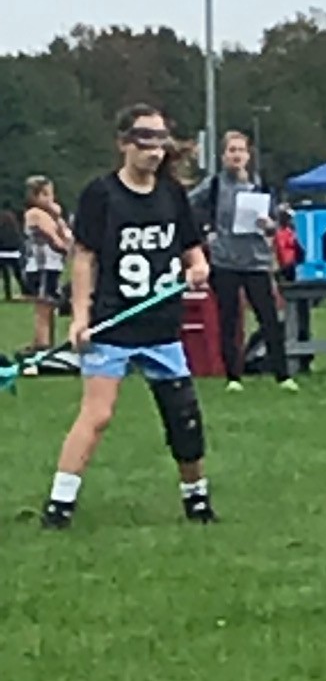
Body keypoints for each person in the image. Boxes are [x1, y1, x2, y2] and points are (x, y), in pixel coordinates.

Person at [41, 105, 215, 528]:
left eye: (160, 140)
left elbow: (191, 249)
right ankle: (59, 505)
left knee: (183, 418)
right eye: (144, 139)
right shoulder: (101, 194)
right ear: (123, 143)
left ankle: (196, 500)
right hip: (114, 323)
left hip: (161, 327)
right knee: (97, 415)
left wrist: (198, 268)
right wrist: (80, 317)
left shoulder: (172, 194)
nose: (154, 149)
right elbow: (84, 257)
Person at [190, 131, 296, 391]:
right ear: (223, 155)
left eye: (241, 150)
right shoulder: (214, 185)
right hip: (225, 261)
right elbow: (187, 204)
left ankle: (283, 374)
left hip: (256, 261)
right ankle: (233, 377)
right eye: (231, 150)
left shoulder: (261, 186)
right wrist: (205, 232)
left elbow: (275, 223)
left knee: (269, 318)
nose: (236, 155)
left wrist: (269, 225)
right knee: (228, 319)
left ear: (248, 155)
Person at [21, 176, 73, 352]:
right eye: (46, 194)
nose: (51, 198)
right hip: (41, 266)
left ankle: (47, 342)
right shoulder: (35, 214)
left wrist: (58, 217)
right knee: (43, 305)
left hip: (52, 266)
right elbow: (54, 239)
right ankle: (41, 343)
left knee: (49, 304)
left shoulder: (50, 215)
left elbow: (66, 235)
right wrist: (69, 250)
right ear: (35, 196)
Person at [0, 208, 21, 300]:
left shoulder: (2, 225)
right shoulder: (14, 226)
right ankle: (26, 291)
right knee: (18, 274)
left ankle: (8, 294)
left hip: (2, 251)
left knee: (5, 275)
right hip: (14, 251)